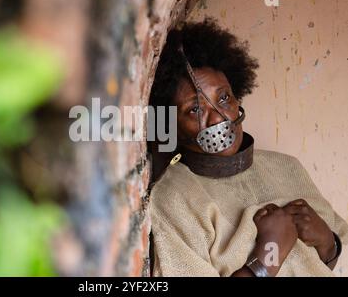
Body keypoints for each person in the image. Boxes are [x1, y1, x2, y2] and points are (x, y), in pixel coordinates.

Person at [148, 17, 348, 277]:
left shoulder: (286, 166)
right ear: (170, 122)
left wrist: (328, 243)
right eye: (195, 109)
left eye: (223, 98)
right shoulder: (174, 197)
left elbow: (321, 264)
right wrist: (266, 260)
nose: (219, 117)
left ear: (237, 96)